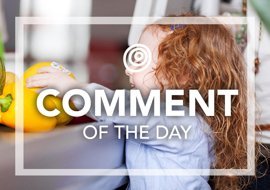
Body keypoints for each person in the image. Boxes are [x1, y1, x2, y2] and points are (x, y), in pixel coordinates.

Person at [26, 19, 248, 190]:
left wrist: (71, 88)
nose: (128, 68)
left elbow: (119, 107)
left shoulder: (181, 121)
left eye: (139, 59)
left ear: (180, 74)